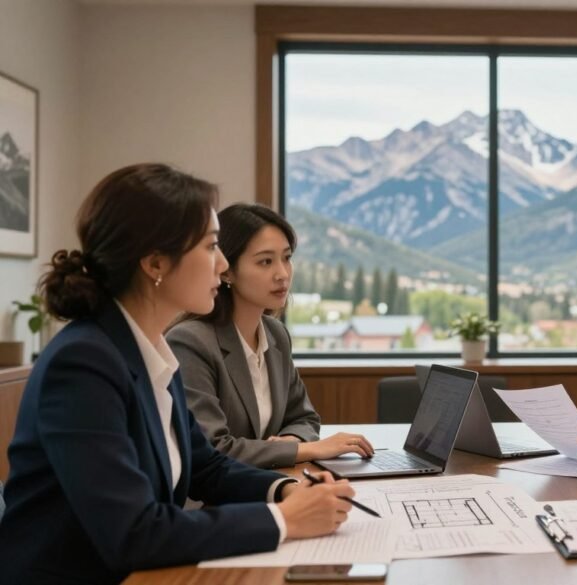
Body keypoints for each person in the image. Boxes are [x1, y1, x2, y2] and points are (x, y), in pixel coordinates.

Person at [0, 164, 356, 584]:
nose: (222, 264)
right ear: (155, 264)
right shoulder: (83, 364)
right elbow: (134, 532)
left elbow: (207, 467)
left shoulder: (148, 349)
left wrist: (286, 491)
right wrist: (282, 520)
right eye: (210, 247)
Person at [167, 204, 373, 469]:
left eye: (286, 258)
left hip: (270, 483)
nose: (282, 274)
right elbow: (213, 449)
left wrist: (290, 441)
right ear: (226, 270)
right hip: (212, 502)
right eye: (266, 261)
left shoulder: (276, 335)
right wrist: (302, 450)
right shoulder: (190, 342)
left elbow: (305, 418)